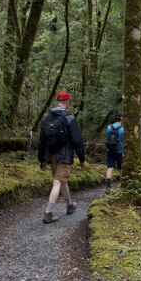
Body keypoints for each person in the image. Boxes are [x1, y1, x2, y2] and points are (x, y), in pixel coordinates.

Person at [38, 90, 85, 224]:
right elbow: (77, 140)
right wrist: (82, 159)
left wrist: (42, 159)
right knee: (58, 182)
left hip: (52, 155)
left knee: (62, 180)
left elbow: (42, 141)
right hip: (65, 156)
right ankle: (48, 213)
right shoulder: (69, 117)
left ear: (58, 101)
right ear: (67, 102)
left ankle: (70, 204)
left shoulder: (47, 117)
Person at [105, 113, 125, 190]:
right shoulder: (123, 129)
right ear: (121, 119)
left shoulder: (109, 127)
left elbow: (107, 138)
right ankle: (122, 184)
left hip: (110, 150)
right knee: (121, 167)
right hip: (119, 150)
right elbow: (123, 140)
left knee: (110, 167)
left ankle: (108, 186)